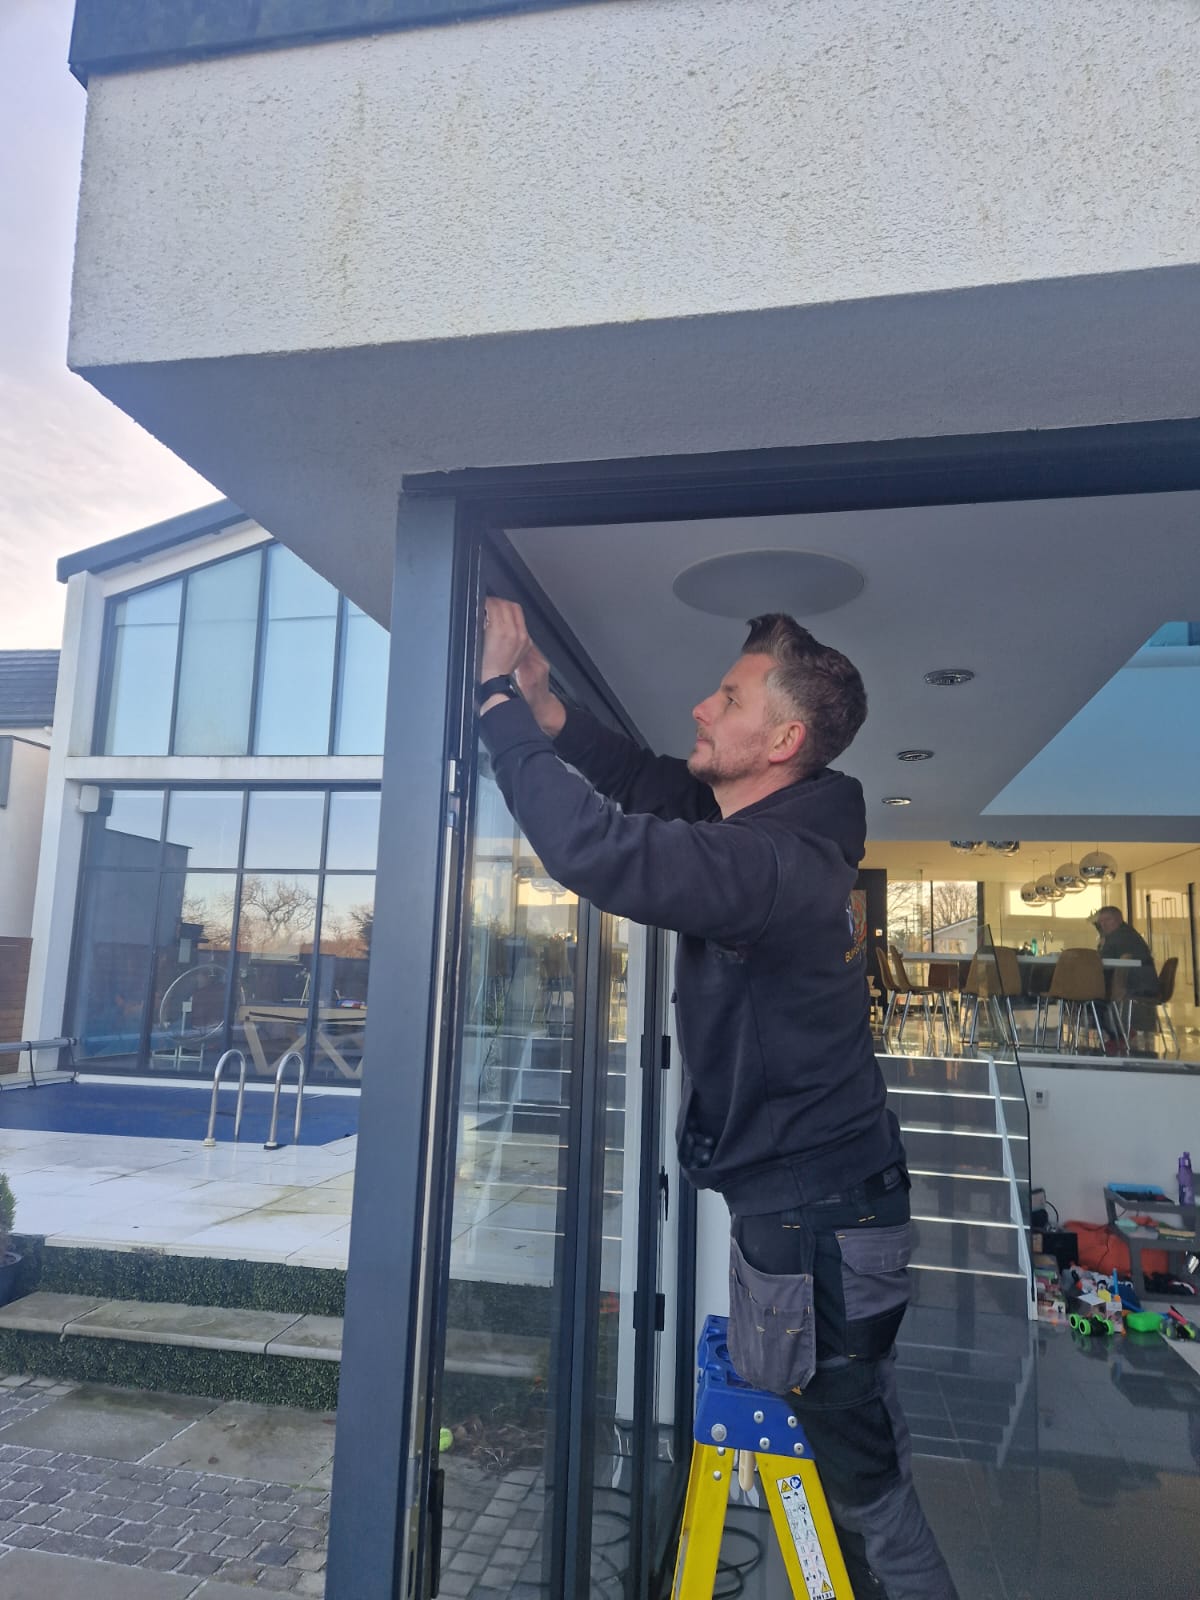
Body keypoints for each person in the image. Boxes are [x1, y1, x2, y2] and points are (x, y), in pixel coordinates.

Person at [476, 599, 958, 1600]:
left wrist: (493, 699)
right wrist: (549, 713)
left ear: (783, 740)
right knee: (859, 1438)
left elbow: (599, 850)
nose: (700, 704)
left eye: (728, 696)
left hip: (820, 1218)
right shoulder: (766, 825)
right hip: (822, 1204)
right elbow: (648, 783)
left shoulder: (774, 865)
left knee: (861, 1484)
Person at [1093, 906, 1159, 1051]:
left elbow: (1102, 960)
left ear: (1118, 919)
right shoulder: (1125, 933)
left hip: (1136, 983)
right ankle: (1120, 1032)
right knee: (1096, 993)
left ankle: (1117, 1035)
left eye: (1107, 920)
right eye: (1101, 922)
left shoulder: (1119, 936)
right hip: (1141, 981)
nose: (1103, 924)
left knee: (1093, 996)